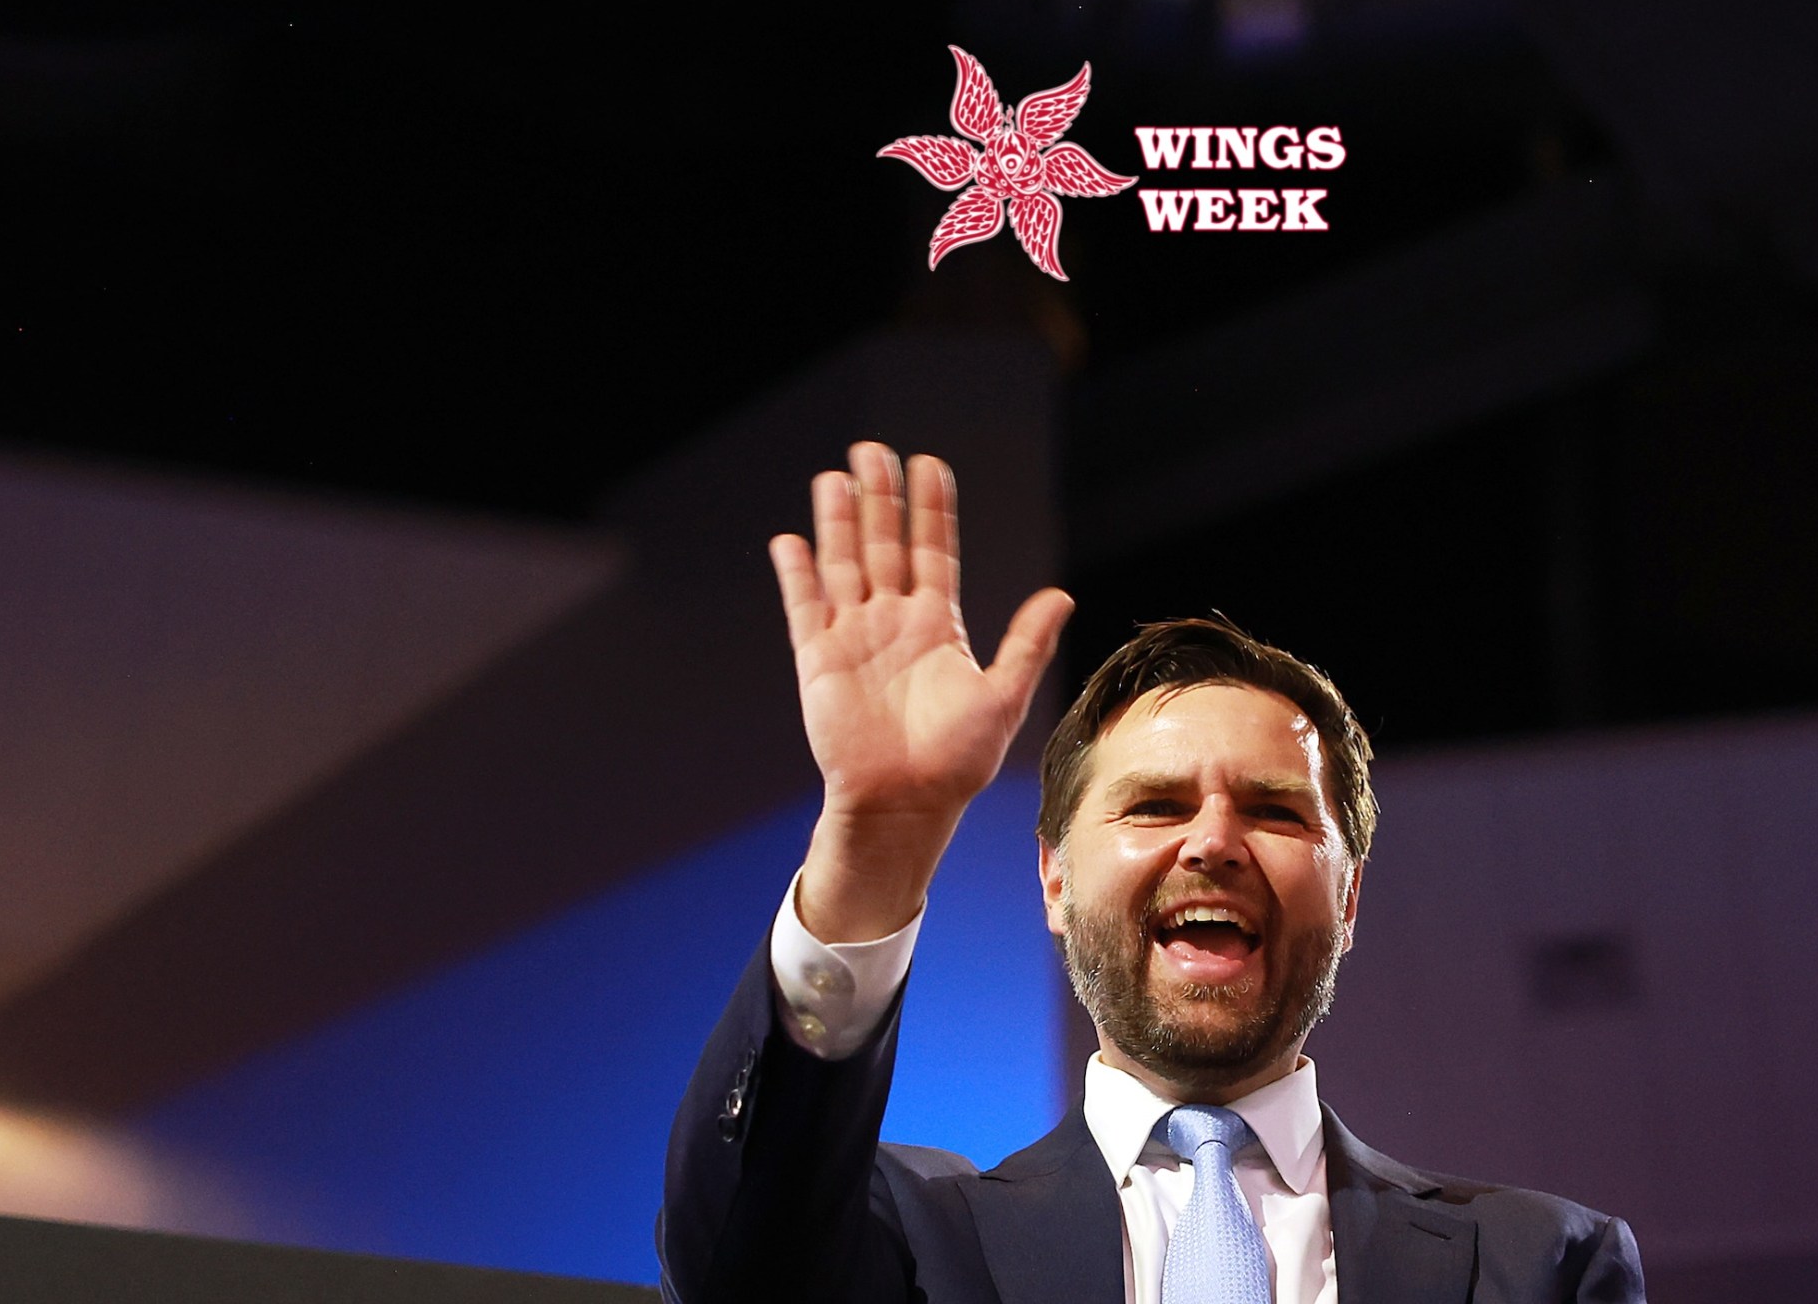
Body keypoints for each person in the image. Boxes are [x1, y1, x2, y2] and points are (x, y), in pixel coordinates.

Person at [660, 443, 1645, 1304]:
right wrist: (875, 844)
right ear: (1055, 884)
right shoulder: (914, 1243)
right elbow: (737, 1266)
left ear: (1348, 897)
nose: (1214, 841)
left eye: (1273, 810)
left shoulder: (1539, 1267)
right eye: (1155, 805)